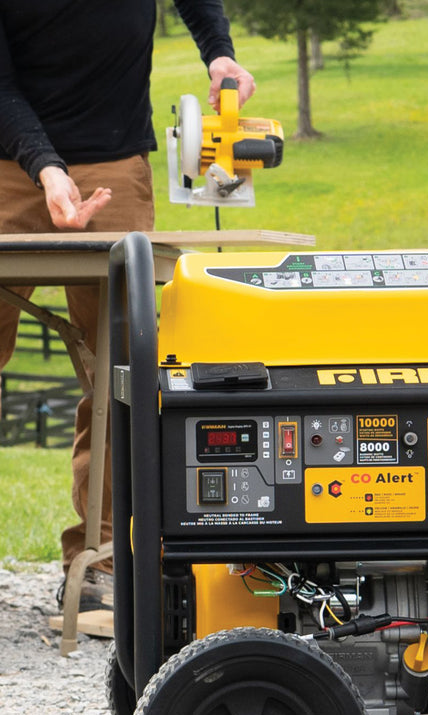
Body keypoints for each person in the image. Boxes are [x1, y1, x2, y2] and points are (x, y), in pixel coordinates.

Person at [0, 1, 255, 606]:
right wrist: (47, 168)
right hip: (8, 166)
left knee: (122, 371)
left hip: (114, 163)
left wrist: (219, 51)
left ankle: (103, 560)